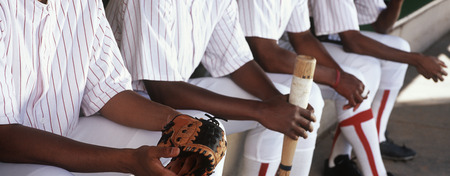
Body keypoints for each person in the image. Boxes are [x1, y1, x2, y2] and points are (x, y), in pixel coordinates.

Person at [106, 0, 323, 175]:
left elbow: (236, 59)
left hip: (177, 91)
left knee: (296, 107)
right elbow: (163, 90)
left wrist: (277, 102)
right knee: (209, 136)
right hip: (125, 105)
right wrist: (261, 110)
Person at [0, 0, 202, 175]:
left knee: (193, 140)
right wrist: (127, 161)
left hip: (66, 133)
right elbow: (4, 136)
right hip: (8, 156)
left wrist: (177, 122)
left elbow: (110, 91)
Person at [236, 0, 393, 175]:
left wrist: (341, 77)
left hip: (264, 62)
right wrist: (336, 78)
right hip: (240, 70)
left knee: (355, 78)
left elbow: (302, 37)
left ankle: (370, 171)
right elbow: (266, 55)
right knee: (301, 100)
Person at [309, 0, 447, 175]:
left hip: (331, 38)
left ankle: (374, 137)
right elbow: (352, 41)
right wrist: (416, 59)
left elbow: (382, 26)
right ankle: (352, 162)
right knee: (367, 69)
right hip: (308, 42)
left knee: (400, 46)